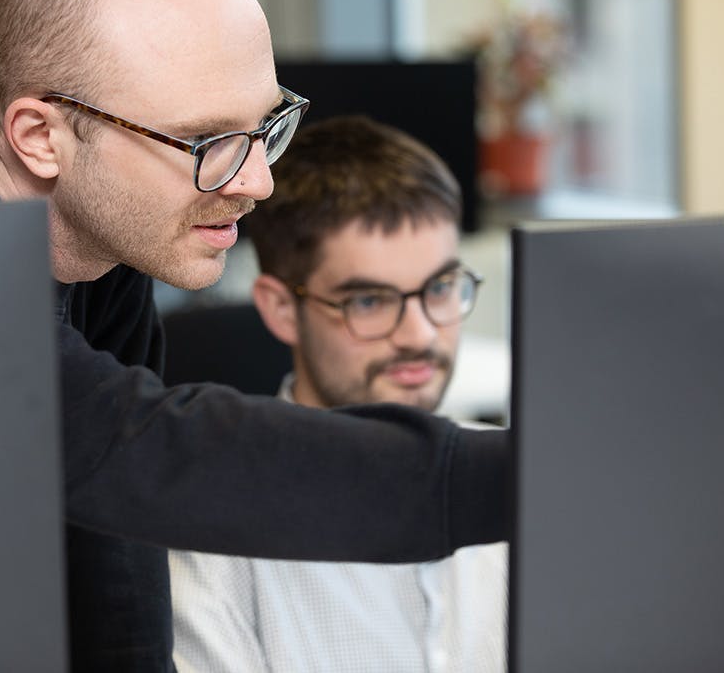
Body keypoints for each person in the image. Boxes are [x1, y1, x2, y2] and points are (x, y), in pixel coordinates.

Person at [0, 0, 509, 671]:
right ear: (40, 136)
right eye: (208, 143)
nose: (258, 182)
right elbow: (141, 453)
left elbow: (114, 547)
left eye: (265, 127)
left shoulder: (97, 207)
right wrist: (534, 476)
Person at [169, 115, 508, 673]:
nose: (421, 335)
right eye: (369, 301)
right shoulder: (210, 540)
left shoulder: (521, 487)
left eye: (442, 288)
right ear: (282, 309)